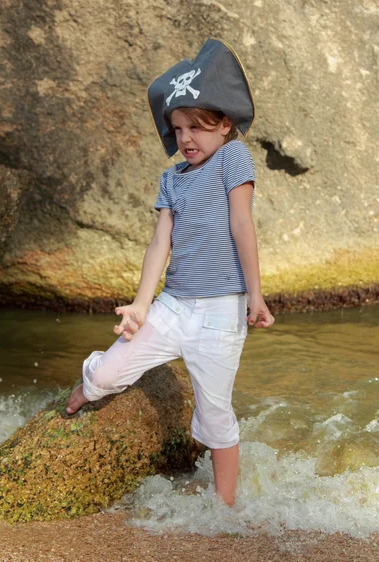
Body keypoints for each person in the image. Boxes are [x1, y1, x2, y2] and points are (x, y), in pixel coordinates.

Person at [66, 39, 275, 506]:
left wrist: (255, 297)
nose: (185, 139)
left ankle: (223, 507)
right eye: (178, 129)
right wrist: (141, 304)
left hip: (221, 312)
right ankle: (86, 385)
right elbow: (160, 242)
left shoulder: (232, 159)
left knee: (216, 413)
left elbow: (243, 224)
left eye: (196, 128)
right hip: (173, 305)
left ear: (224, 124)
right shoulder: (172, 178)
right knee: (108, 374)